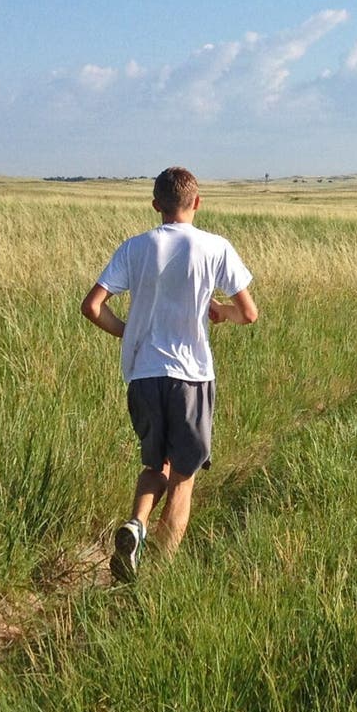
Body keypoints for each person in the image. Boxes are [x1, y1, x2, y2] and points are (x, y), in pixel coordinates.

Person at [81, 166, 258, 581]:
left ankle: (136, 525)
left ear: (156, 204)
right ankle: (159, 579)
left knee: (153, 466)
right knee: (182, 479)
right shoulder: (215, 247)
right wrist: (221, 312)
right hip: (191, 377)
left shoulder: (134, 247)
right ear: (197, 202)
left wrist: (132, 335)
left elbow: (92, 306)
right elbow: (249, 314)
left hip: (143, 375)